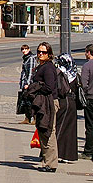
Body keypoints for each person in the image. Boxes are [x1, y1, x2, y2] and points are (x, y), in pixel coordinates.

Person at [27, 41, 59, 172]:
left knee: (48, 131)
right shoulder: (42, 66)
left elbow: (49, 87)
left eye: (44, 52)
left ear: (49, 54)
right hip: (43, 102)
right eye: (39, 51)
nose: (40, 54)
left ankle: (51, 164)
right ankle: (47, 161)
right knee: (43, 131)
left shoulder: (48, 68)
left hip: (49, 102)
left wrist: (35, 88)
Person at [55, 53, 80, 162]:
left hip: (63, 102)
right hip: (72, 103)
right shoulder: (74, 73)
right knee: (70, 130)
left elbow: (58, 89)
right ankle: (69, 155)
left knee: (58, 127)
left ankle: (57, 152)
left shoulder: (60, 73)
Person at [19, 44, 36, 124]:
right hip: (24, 82)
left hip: (29, 83)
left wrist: (28, 83)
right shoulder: (25, 58)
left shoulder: (31, 58)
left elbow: (30, 72)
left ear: (29, 49)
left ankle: (34, 118)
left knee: (31, 100)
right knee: (25, 100)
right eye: (23, 49)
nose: (24, 51)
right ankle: (27, 118)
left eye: (25, 49)